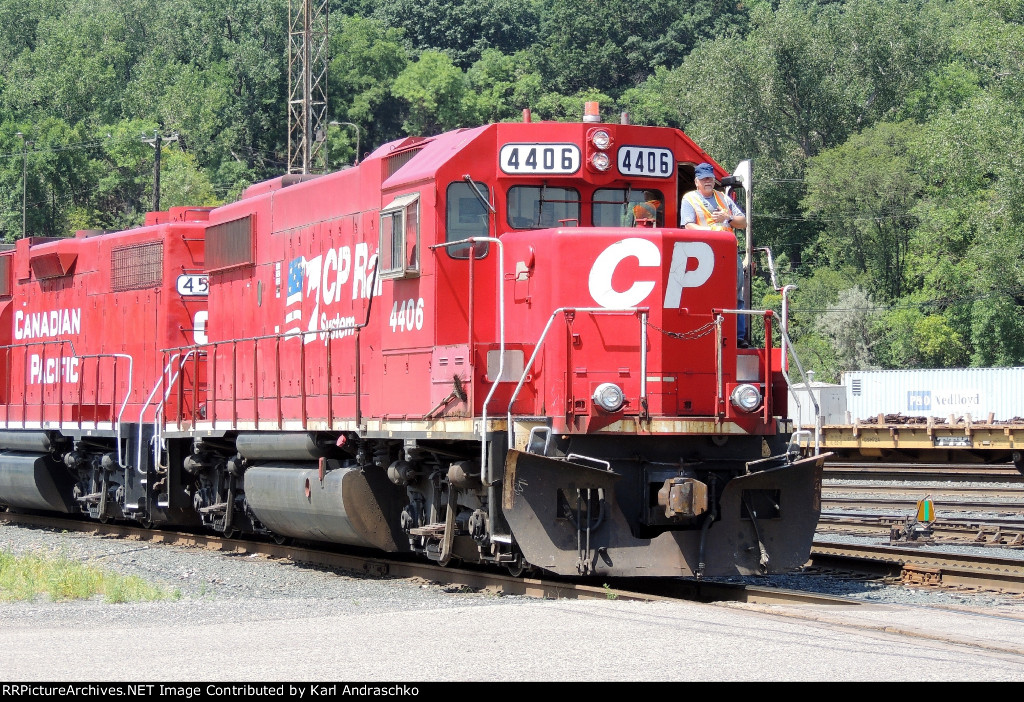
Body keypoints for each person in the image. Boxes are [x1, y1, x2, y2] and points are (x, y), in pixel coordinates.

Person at [680, 162, 749, 346]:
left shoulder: (723, 198)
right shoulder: (689, 199)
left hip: (729, 252)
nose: (708, 182)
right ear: (697, 182)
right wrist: (712, 232)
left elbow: (743, 222)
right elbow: (688, 226)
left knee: (736, 293)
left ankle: (738, 336)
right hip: (705, 254)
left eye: (710, 178)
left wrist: (728, 218)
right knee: (708, 294)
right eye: (704, 179)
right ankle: (705, 335)